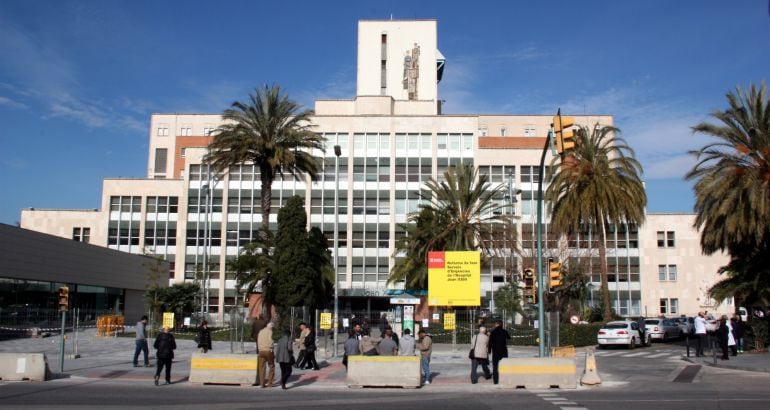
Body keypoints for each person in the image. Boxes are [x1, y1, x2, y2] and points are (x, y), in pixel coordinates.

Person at [488, 320, 511, 384]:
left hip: (495, 351)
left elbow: (490, 342)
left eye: (495, 324)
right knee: (504, 365)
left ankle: (496, 380)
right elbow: (509, 337)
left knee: (495, 366)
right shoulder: (504, 331)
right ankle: (504, 379)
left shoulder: (493, 332)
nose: (494, 325)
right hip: (503, 351)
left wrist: (489, 350)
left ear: (497, 324)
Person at [257, 322, 276, 387]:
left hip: (261, 351)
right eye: (272, 328)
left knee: (261, 367)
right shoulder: (270, 332)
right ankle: (270, 383)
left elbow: (258, 341)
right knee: (271, 366)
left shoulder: (261, 331)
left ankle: (262, 383)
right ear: (271, 327)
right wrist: (272, 346)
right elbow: (270, 341)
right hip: (268, 350)